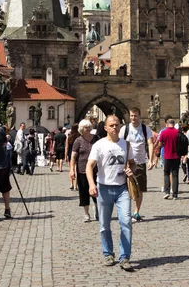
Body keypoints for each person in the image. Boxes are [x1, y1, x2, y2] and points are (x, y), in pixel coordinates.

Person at [87, 115, 137, 271]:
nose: (115, 127)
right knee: (104, 225)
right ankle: (108, 254)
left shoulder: (126, 145)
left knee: (126, 222)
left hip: (122, 189)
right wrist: (91, 184)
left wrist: (131, 170)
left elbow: (134, 164)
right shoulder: (99, 145)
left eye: (117, 125)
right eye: (112, 125)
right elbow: (89, 166)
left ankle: (124, 257)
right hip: (104, 188)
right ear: (106, 128)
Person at [119, 107, 154, 222]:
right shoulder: (125, 129)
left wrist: (151, 159)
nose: (133, 118)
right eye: (131, 116)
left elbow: (150, 143)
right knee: (126, 188)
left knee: (139, 188)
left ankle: (136, 212)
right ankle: (126, 211)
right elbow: (119, 144)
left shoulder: (145, 129)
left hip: (140, 162)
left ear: (139, 116)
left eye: (135, 116)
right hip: (127, 163)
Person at [70, 119, 99, 222]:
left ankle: (97, 210)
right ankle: (86, 213)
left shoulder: (96, 138)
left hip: (96, 170)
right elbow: (73, 157)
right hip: (82, 170)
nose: (88, 129)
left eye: (89, 127)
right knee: (84, 192)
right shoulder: (78, 141)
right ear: (81, 129)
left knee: (96, 191)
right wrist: (72, 170)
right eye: (86, 127)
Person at [157, 118, 180, 200]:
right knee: (175, 175)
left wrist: (165, 145)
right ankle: (175, 194)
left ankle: (167, 192)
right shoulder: (178, 132)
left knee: (166, 173)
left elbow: (160, 144)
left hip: (167, 156)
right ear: (174, 124)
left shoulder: (164, 132)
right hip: (176, 157)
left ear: (167, 124)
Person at [65, 123, 80, 189]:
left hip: (70, 154)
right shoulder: (80, 136)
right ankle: (75, 185)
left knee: (71, 169)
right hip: (78, 154)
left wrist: (65, 156)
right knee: (77, 170)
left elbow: (67, 147)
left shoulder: (69, 137)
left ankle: (71, 183)